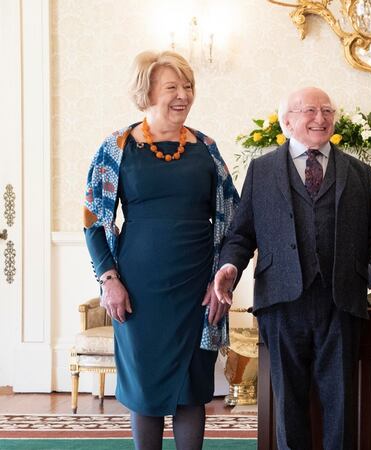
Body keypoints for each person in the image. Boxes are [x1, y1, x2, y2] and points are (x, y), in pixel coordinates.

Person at [212, 87, 371, 450]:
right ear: (286, 122)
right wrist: (230, 267)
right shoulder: (262, 170)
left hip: (341, 302)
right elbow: (241, 234)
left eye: (327, 110)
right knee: (289, 408)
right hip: (282, 304)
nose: (321, 117)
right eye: (310, 110)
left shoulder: (359, 172)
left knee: (342, 407)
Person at [83, 50, 240, 449]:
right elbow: (94, 219)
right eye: (172, 86)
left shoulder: (206, 147)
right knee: (145, 390)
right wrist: (109, 279)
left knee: (192, 390)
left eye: (188, 86)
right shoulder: (117, 147)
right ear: (147, 91)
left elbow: (234, 219)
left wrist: (221, 279)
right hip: (138, 292)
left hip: (197, 290)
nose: (183, 95)